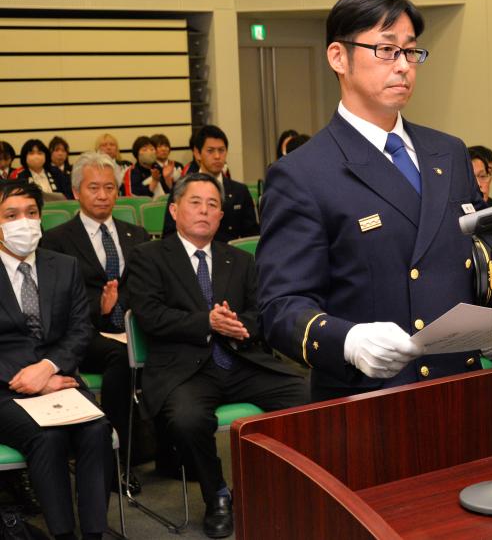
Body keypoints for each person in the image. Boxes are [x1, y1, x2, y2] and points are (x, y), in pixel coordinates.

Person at [256, 0, 492, 401]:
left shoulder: (446, 151)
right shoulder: (304, 173)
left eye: (410, 52)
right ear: (338, 57)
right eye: (386, 50)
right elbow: (281, 307)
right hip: (370, 396)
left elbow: (488, 251)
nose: (403, 66)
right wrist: (348, 340)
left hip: (459, 384)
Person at [124, 173, 308, 538]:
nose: (204, 211)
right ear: (174, 209)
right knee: (187, 420)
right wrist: (207, 322)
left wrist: (240, 327)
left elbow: (261, 314)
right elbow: (150, 316)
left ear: (221, 216)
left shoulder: (239, 259)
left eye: (213, 205)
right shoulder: (148, 257)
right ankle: (218, 496)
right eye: (195, 203)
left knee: (306, 395)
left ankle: (260, 484)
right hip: (184, 369)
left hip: (240, 360)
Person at [0, 180, 113, 540]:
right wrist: (28, 379)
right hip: (5, 390)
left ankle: (94, 533)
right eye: (11, 215)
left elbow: (80, 330)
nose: (24, 222)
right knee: (46, 438)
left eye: (31, 213)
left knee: (96, 429)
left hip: (59, 380)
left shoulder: (64, 266)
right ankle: (63, 535)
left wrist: (47, 370)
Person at [39, 152, 151, 494]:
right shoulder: (56, 239)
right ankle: (114, 459)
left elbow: (148, 286)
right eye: (93, 188)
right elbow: (54, 302)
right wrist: (99, 308)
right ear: (76, 192)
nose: (103, 195)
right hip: (85, 332)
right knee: (121, 360)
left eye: (109, 187)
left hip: (132, 328)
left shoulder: (137, 234)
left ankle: (166, 449)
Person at [162, 126, 258, 243]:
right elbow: (169, 234)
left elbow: (251, 237)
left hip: (230, 252)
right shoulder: (182, 188)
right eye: (210, 151)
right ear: (197, 153)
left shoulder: (240, 191)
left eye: (221, 150)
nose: (217, 156)